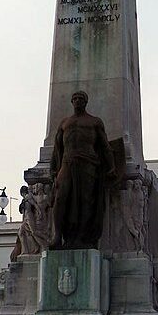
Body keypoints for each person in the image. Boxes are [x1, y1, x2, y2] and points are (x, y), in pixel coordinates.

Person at [50, 91, 116, 249]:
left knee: (87, 200)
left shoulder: (94, 122)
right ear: (71, 102)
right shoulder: (65, 123)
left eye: (81, 99)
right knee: (60, 198)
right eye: (75, 99)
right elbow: (57, 147)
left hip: (88, 163)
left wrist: (112, 166)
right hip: (67, 162)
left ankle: (82, 237)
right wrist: (53, 169)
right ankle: (57, 235)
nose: (78, 101)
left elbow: (105, 146)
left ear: (86, 102)